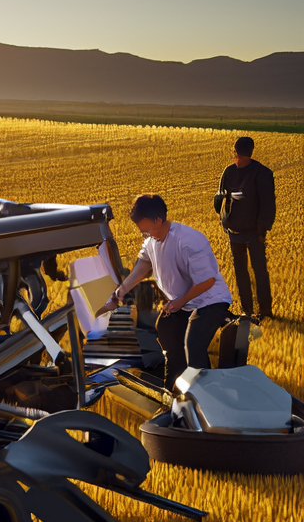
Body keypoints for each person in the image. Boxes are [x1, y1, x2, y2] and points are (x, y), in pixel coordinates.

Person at [102, 194, 232, 390]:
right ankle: (172, 387)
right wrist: (117, 295)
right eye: (142, 232)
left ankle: (208, 395)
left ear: (159, 219)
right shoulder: (151, 242)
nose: (145, 235)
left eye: (147, 230)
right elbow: (141, 270)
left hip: (209, 301)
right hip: (182, 303)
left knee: (193, 345)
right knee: (165, 328)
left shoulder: (189, 240)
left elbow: (207, 282)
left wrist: (179, 302)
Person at [214, 136, 276, 320]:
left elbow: (267, 204)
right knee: (244, 274)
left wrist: (262, 230)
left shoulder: (260, 173)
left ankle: (264, 311)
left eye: (237, 152)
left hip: (252, 233)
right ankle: (249, 311)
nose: (237, 156)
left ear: (237, 151)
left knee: (257, 273)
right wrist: (223, 218)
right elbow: (221, 195)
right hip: (237, 232)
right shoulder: (232, 171)